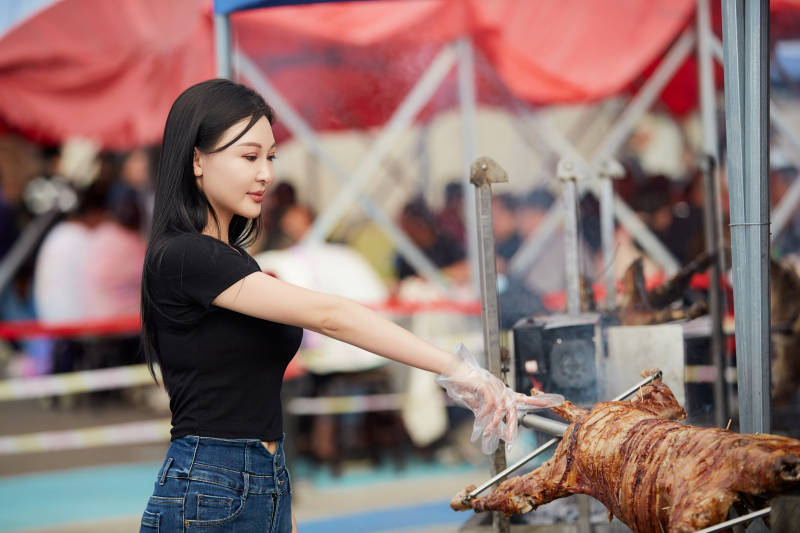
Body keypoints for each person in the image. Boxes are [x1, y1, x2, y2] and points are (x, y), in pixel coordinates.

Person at [138, 79, 561, 533]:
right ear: (197, 160)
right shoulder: (187, 256)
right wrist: (459, 371)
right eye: (249, 156)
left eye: (270, 157)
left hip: (257, 480)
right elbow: (332, 316)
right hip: (212, 481)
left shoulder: (231, 260)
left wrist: (278, 500)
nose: (266, 173)